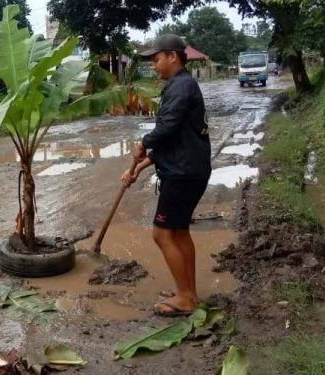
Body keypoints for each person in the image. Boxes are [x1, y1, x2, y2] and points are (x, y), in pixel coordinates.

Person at [122, 34, 211, 316]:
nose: (154, 65)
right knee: (180, 232)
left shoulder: (181, 87)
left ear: (173, 56)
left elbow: (167, 128)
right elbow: (173, 142)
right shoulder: (179, 86)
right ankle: (189, 292)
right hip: (188, 169)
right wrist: (137, 167)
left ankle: (185, 297)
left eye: (157, 59)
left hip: (182, 174)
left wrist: (143, 142)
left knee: (162, 235)